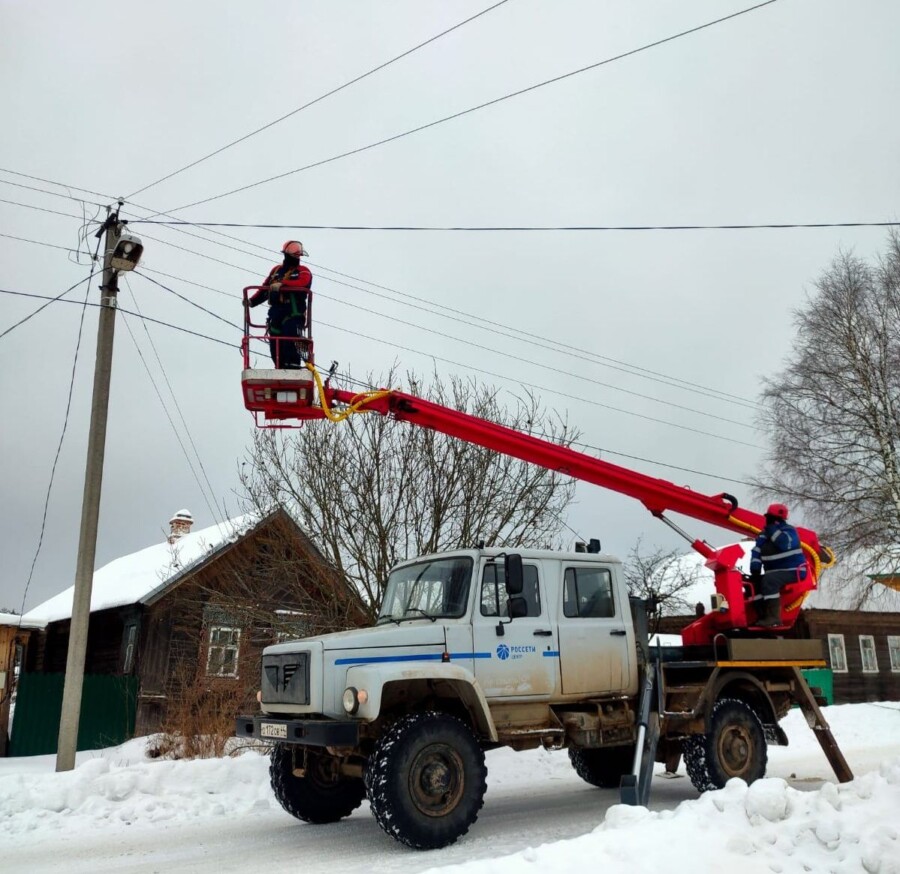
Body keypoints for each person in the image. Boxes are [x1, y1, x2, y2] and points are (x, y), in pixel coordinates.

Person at [247, 241, 312, 368]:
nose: (297, 258)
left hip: (293, 312)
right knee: (275, 345)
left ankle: (292, 365)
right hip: (276, 313)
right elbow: (265, 288)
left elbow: (303, 283)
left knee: (290, 338)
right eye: (295, 255)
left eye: (298, 255)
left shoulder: (303, 271)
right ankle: (279, 366)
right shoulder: (276, 271)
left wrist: (283, 285)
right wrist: (252, 301)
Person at [749, 503, 807, 627]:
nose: (770, 521)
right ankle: (761, 616)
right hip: (774, 572)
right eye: (769, 518)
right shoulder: (763, 535)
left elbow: (784, 544)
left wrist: (772, 529)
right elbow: (756, 551)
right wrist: (755, 569)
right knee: (754, 584)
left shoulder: (789, 531)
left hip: (793, 570)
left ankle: (774, 618)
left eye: (773, 518)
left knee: (770, 581)